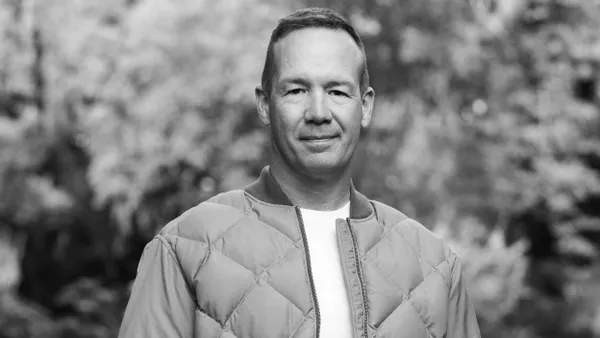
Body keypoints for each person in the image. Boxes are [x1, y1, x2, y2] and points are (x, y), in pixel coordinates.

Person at [118, 7, 481, 338]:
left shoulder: (435, 266)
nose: (318, 112)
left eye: (338, 91)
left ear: (365, 106)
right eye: (296, 90)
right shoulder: (183, 248)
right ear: (265, 105)